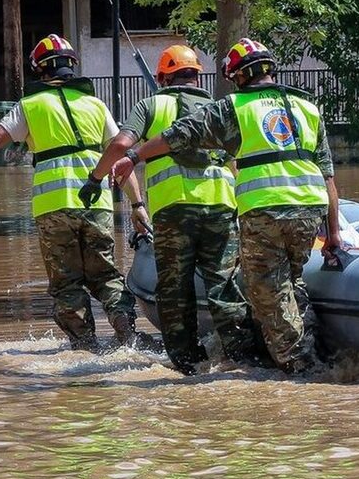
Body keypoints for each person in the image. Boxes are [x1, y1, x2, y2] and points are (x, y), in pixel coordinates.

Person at [110, 38, 340, 374]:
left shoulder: (234, 107)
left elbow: (181, 133)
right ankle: (290, 351)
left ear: (236, 76)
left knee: (267, 290)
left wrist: (133, 156)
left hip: (264, 210)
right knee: (290, 281)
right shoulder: (308, 107)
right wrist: (333, 233)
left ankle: (300, 367)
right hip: (309, 210)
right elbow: (329, 176)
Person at [0, 34, 154, 351]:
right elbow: (119, 157)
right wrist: (137, 204)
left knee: (67, 281)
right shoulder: (95, 105)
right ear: (72, 66)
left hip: (53, 209)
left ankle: (86, 347)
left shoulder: (30, 106)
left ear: (39, 70)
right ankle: (127, 335)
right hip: (97, 205)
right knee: (106, 274)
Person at [88, 44, 258, 374]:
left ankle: (187, 365)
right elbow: (238, 159)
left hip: (174, 209)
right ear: (197, 75)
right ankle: (241, 359)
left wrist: (96, 178)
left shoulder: (151, 104)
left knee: (173, 290)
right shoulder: (221, 107)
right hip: (221, 205)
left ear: (162, 77)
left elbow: (122, 144)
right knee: (223, 284)